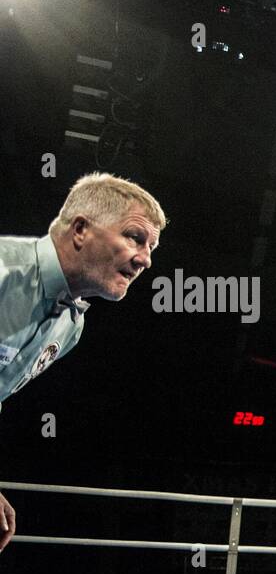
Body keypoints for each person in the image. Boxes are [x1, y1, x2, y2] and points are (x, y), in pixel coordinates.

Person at [0, 173, 166, 554]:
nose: (146, 259)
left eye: (151, 247)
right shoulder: (4, 271)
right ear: (80, 230)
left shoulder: (70, 325)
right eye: (134, 238)